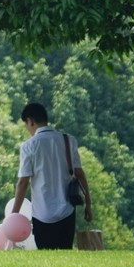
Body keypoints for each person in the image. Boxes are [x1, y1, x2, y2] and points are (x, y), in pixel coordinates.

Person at [11, 102, 93, 250]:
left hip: (42, 214)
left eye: (26, 125)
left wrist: (13, 215)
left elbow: (23, 183)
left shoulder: (29, 146)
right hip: (67, 211)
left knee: (46, 260)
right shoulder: (69, 141)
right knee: (65, 256)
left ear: (30, 121)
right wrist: (88, 203)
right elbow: (80, 174)